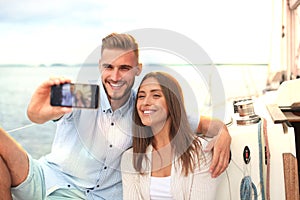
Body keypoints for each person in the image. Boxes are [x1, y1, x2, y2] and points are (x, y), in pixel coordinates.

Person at [0, 33, 231, 199]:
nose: (115, 76)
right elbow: (38, 114)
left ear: (138, 69)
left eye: (124, 68)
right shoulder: (83, 95)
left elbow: (199, 122)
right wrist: (36, 112)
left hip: (91, 195)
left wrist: (222, 131)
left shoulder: (142, 109)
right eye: (108, 67)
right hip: (47, 177)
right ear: (100, 66)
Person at [121, 72, 220, 200]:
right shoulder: (130, 158)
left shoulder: (200, 152)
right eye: (141, 96)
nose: (145, 102)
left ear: (172, 102)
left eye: (156, 95)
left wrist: (223, 132)